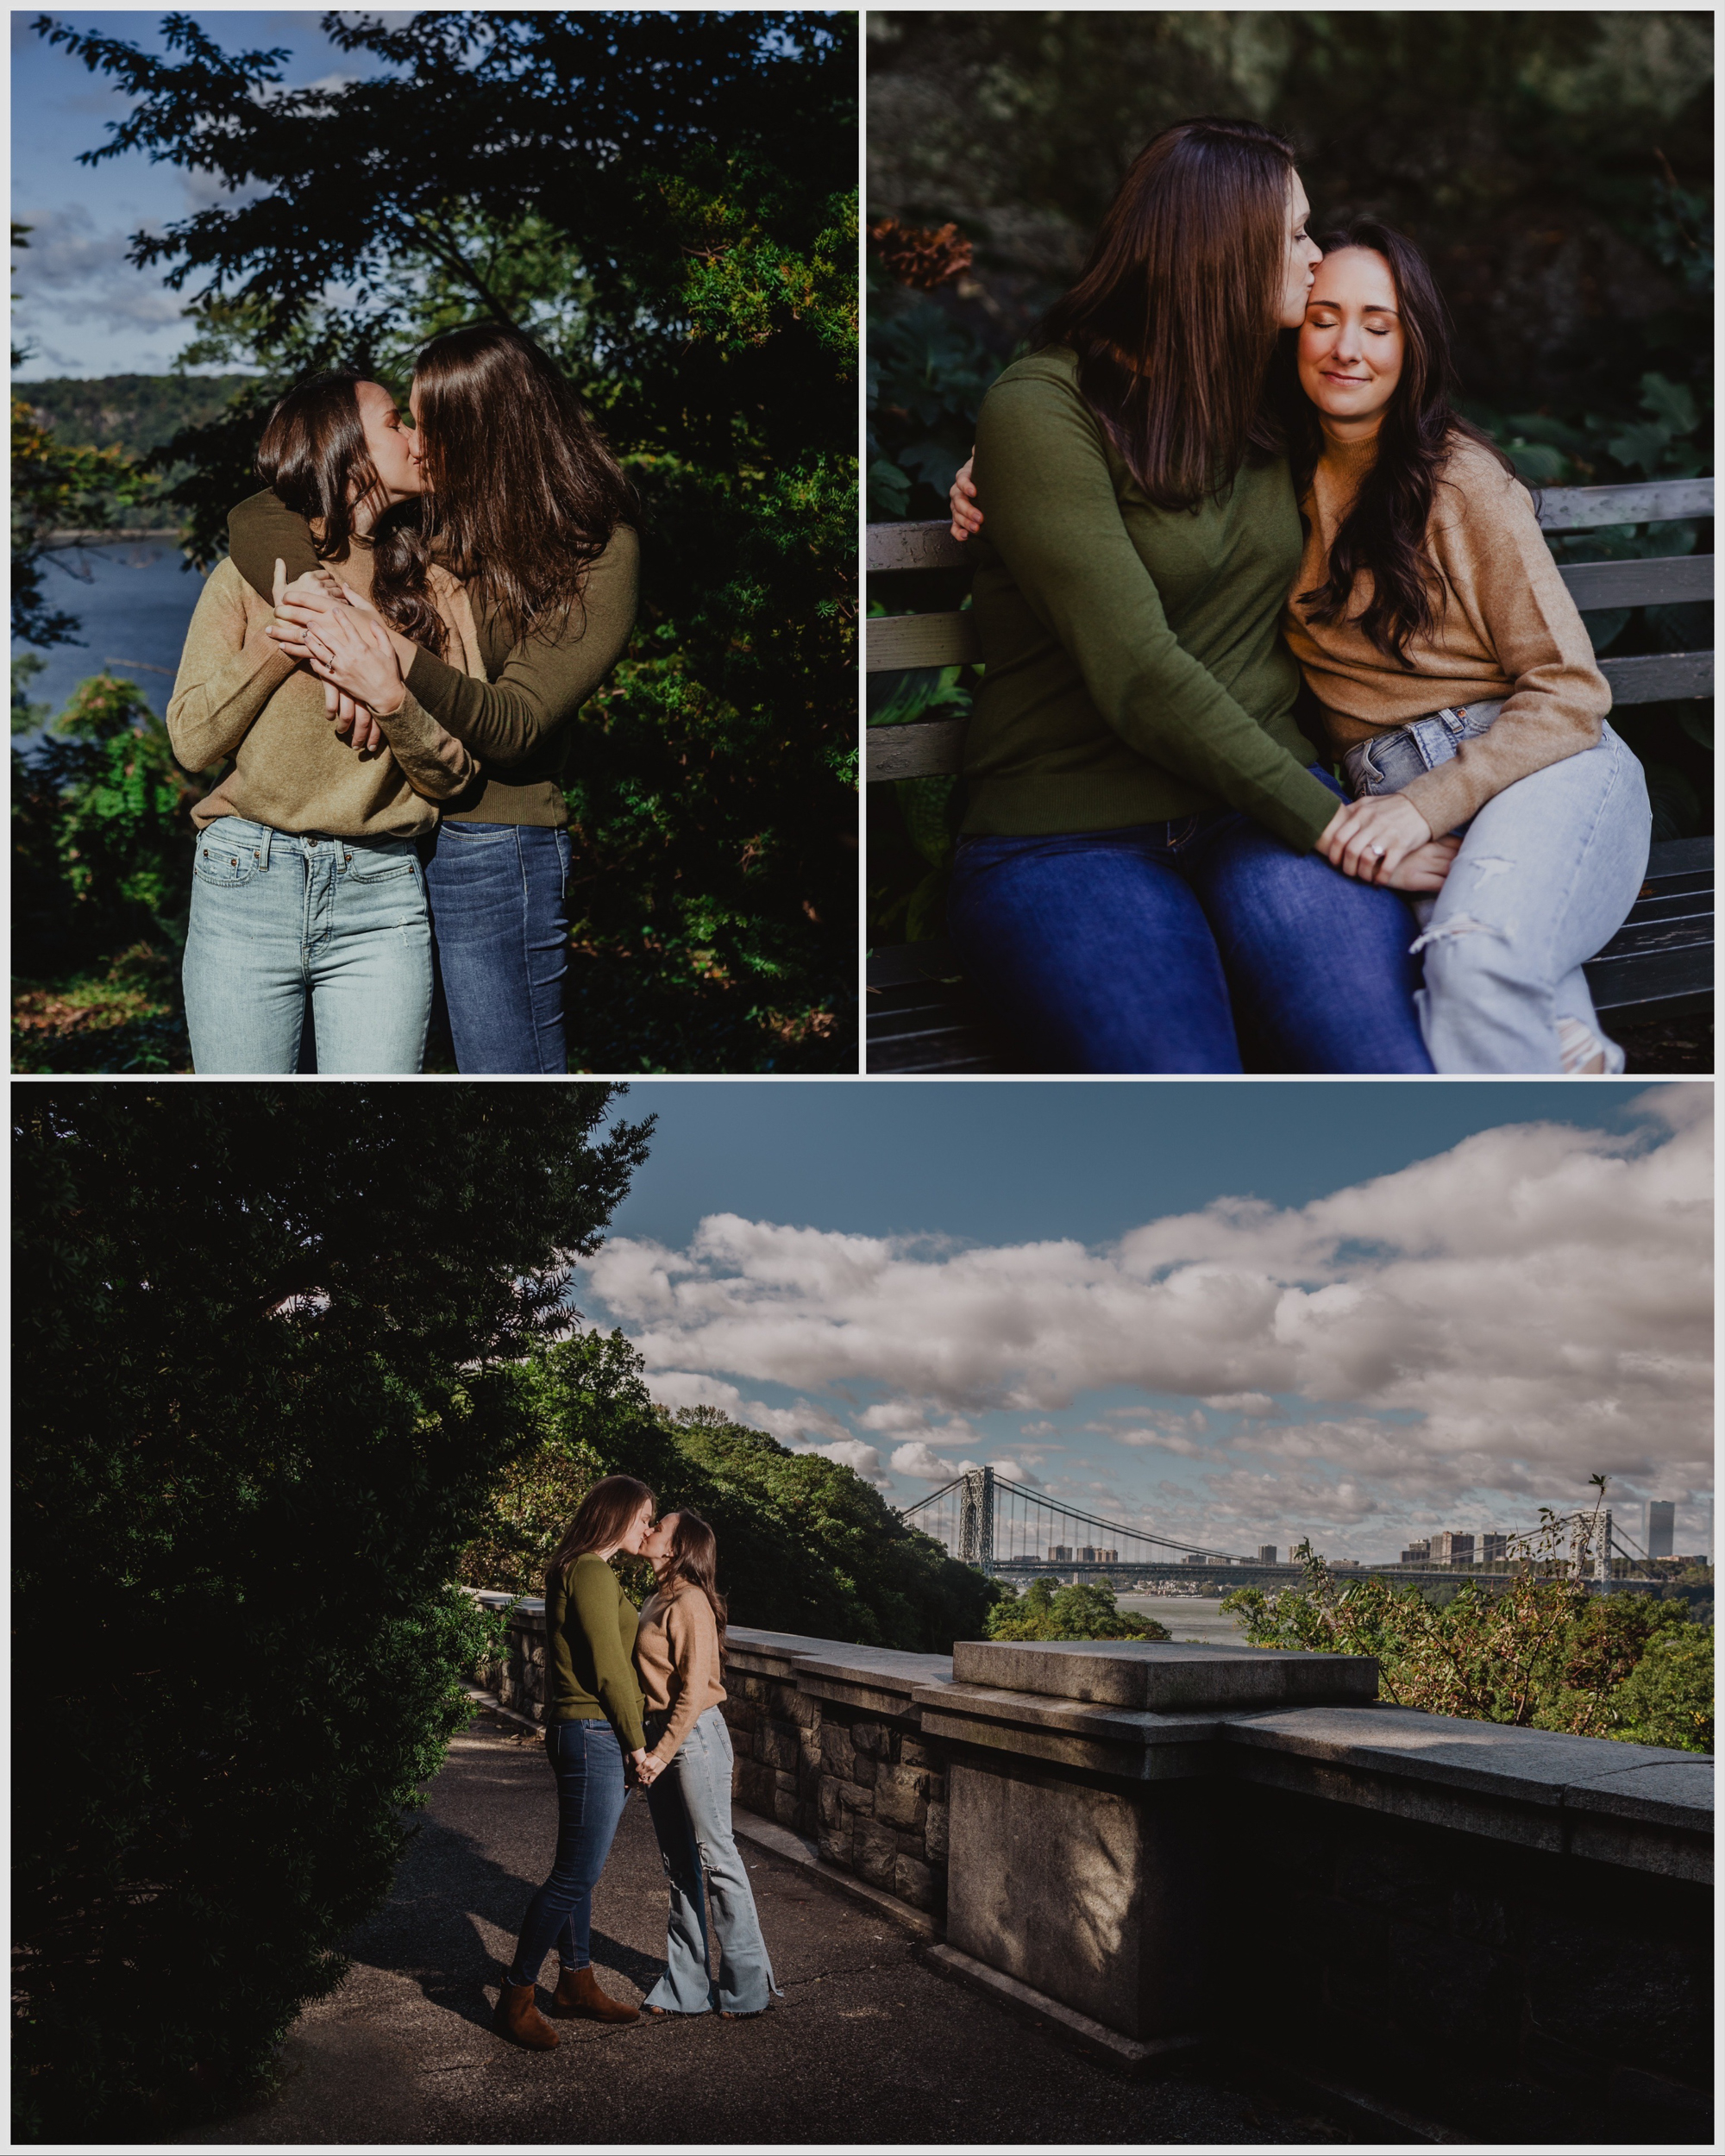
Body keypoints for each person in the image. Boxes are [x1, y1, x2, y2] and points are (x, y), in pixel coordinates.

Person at [939, 117, 1452, 1074]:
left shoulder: (1285, 389)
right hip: (1063, 841)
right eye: (1294, 235)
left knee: (1377, 1065)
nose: (1315, 259)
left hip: (1256, 815)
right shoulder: (1042, 409)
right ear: (1220, 250)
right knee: (1182, 1086)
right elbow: (1133, 669)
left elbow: (1416, 422)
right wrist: (1333, 826)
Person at [1278, 220, 1649, 1073]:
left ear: (1412, 346)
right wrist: (987, 474)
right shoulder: (1261, 473)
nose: (1345, 347)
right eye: (1322, 316)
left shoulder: (1459, 480)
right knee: (1544, 1037)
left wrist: (1423, 805)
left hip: (1541, 771)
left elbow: (1568, 690)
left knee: (1473, 961)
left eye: (1377, 325)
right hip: (1390, 786)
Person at [229, 323, 640, 1075]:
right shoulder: (431, 513)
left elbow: (514, 725)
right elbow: (258, 515)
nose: (414, 441)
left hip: (492, 841)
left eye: (428, 422)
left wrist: (378, 653)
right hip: (382, 827)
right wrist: (332, 644)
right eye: (407, 420)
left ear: (483, 431)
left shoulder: (598, 548)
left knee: (504, 1070)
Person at [167, 372, 484, 1073]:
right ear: (346, 452)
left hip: (382, 896)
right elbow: (191, 740)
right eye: (396, 421)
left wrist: (390, 698)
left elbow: (458, 771)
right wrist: (294, 633)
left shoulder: (439, 586)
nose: (417, 438)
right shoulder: (251, 577)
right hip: (245, 880)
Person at [495, 1476, 657, 2052]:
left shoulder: (587, 1568)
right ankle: (517, 1996)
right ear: (616, 1516)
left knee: (578, 1869)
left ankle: (577, 1981)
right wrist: (639, 1746)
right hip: (594, 1732)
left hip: (587, 1730)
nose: (649, 1528)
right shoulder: (590, 1570)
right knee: (575, 1875)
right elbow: (610, 1666)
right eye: (644, 1518)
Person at [633, 1511, 777, 2020]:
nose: (648, 1529)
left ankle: (747, 1988)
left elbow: (694, 1692)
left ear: (678, 1547)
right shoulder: (656, 1597)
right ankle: (686, 1988)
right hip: (662, 1737)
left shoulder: (690, 1601)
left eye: (660, 1526)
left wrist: (660, 1753)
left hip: (692, 1738)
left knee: (718, 1860)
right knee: (679, 1865)